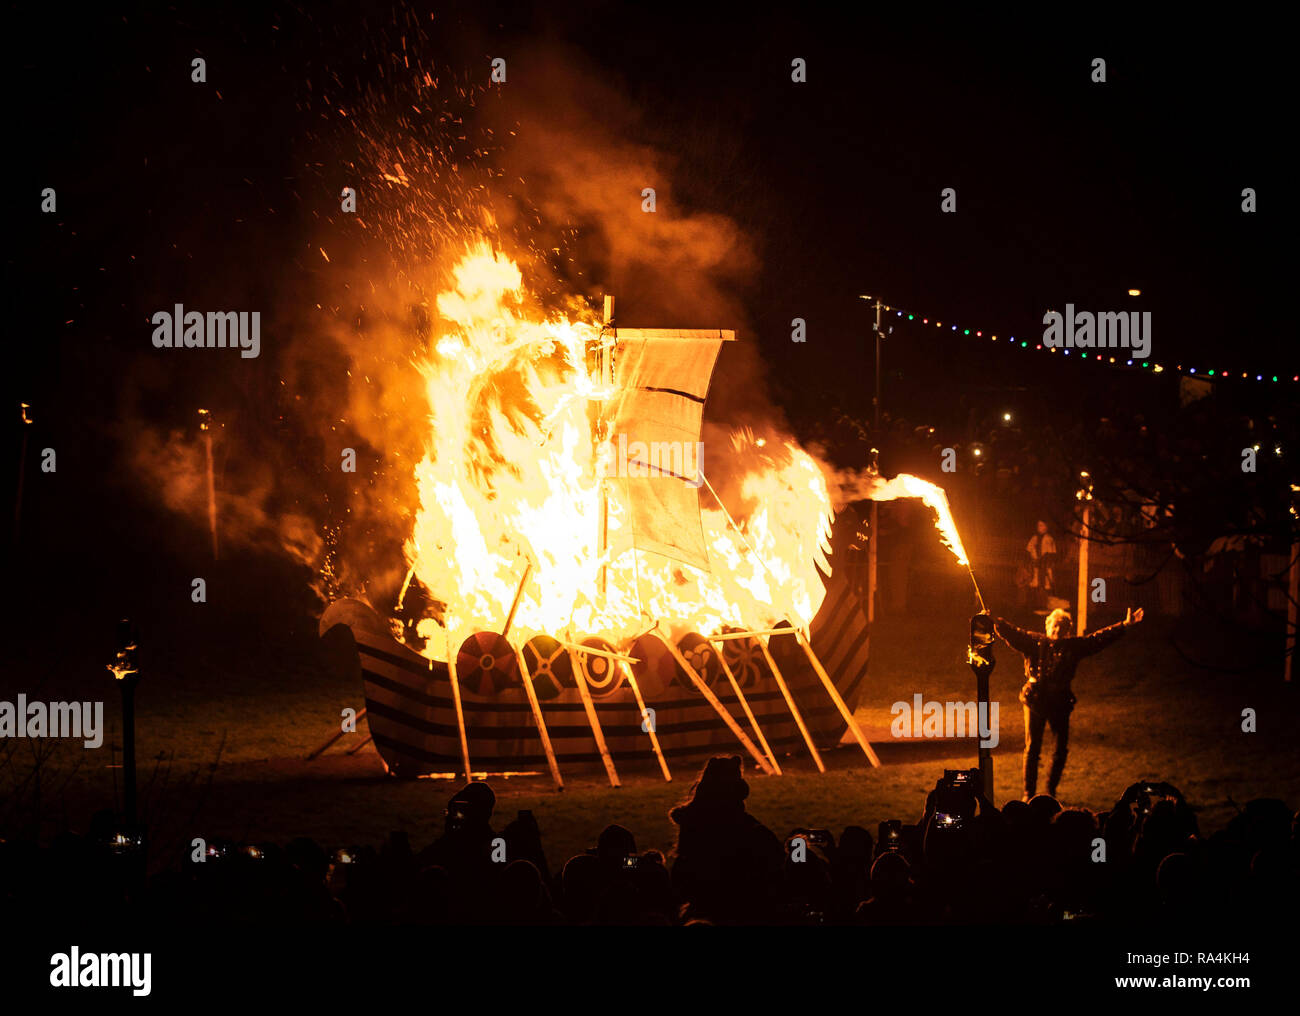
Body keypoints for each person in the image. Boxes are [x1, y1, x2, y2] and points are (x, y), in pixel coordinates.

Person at [993, 606, 1145, 801]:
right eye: (1054, 626)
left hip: (1059, 702)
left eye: (1062, 628)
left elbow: (1098, 639)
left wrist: (1123, 625)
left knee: (1060, 749)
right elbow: (1014, 634)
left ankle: (1050, 792)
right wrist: (997, 622)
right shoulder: (1034, 642)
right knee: (1032, 748)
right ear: (1047, 626)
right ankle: (1028, 793)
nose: (1057, 631)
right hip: (1035, 700)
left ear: (1068, 631)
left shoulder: (1073, 646)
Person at [1022, 520, 1058, 609]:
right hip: (1035, 567)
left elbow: (1051, 554)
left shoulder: (1049, 539)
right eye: (1039, 525)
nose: (1040, 527)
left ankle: (1045, 605)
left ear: (1046, 527)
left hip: (1045, 567)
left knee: (1045, 586)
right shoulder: (1034, 538)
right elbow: (1028, 551)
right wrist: (1032, 562)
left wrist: (1042, 562)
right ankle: (1033, 606)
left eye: (1042, 525)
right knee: (1034, 585)